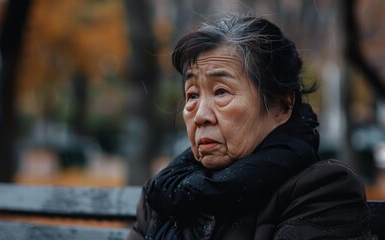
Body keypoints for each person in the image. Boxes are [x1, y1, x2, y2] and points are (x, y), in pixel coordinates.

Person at [126, 15, 372, 239]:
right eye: (192, 95)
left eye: (221, 92)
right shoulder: (166, 191)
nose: (200, 115)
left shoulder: (323, 190)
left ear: (282, 106)